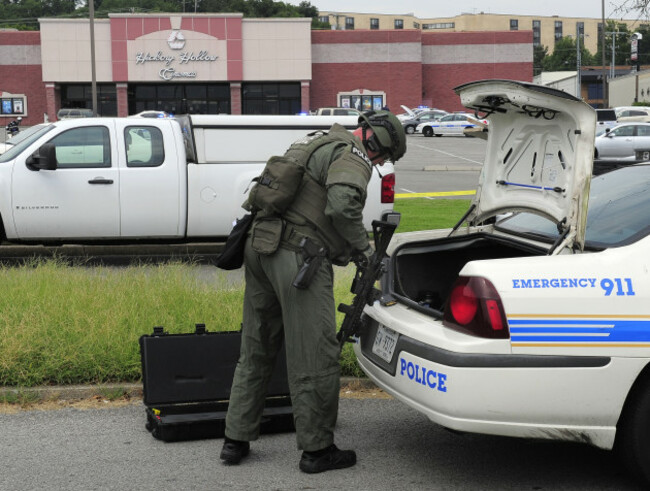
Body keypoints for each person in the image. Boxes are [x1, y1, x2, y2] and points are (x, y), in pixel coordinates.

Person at [220, 110, 406, 473]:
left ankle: (234, 439)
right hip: (298, 259)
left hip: (260, 247)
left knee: (256, 347)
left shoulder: (313, 140)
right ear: (377, 141)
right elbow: (342, 205)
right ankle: (317, 450)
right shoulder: (352, 154)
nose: (381, 162)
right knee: (315, 354)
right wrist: (364, 252)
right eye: (384, 156)